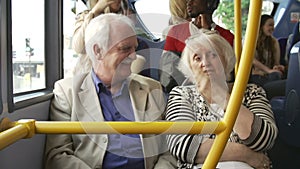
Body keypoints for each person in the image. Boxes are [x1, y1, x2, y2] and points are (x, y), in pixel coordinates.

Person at [45, 13, 176, 169]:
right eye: (125, 49)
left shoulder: (151, 88)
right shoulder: (67, 93)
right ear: (98, 51)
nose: (134, 56)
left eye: (135, 48)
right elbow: (58, 156)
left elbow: (169, 149)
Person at [165, 30, 278, 169]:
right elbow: (182, 145)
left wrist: (220, 95)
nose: (205, 62)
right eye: (197, 58)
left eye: (213, 55)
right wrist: (245, 154)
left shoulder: (251, 92)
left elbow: (264, 139)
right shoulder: (182, 95)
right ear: (190, 68)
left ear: (226, 60)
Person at [160, 0, 234, 93]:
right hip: (184, 92)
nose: (189, 2)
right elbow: (166, 74)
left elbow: (228, 73)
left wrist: (207, 33)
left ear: (210, 3)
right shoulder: (175, 32)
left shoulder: (227, 36)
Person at [72, 0, 127, 75]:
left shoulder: (124, 18)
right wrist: (94, 13)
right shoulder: (86, 16)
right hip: (89, 75)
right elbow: (78, 47)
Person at [249, 14, 285, 88]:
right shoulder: (252, 41)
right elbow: (253, 60)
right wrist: (268, 70)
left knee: (276, 76)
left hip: (270, 75)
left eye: (273, 25)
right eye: (270, 25)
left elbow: (276, 62)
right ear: (261, 26)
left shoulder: (274, 42)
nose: (272, 28)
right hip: (256, 75)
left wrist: (277, 67)